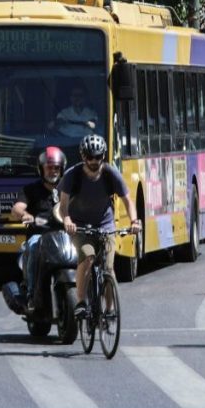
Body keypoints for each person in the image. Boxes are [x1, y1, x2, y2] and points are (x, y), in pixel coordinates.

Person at [58, 135, 140, 318]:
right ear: (83, 157)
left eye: (98, 157)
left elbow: (128, 201)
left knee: (109, 268)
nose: (94, 162)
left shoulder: (111, 174)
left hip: (105, 225)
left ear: (103, 156)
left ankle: (109, 310)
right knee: (87, 257)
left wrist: (134, 221)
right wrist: (67, 220)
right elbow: (63, 206)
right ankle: (80, 302)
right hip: (80, 227)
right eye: (90, 157)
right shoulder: (73, 175)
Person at [9, 146, 67, 309]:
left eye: (56, 168)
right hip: (40, 235)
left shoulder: (67, 189)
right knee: (33, 246)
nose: (53, 171)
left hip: (64, 236)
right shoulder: (30, 189)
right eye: (49, 167)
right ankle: (30, 294)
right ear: (41, 169)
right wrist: (24, 215)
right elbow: (17, 208)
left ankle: (87, 297)